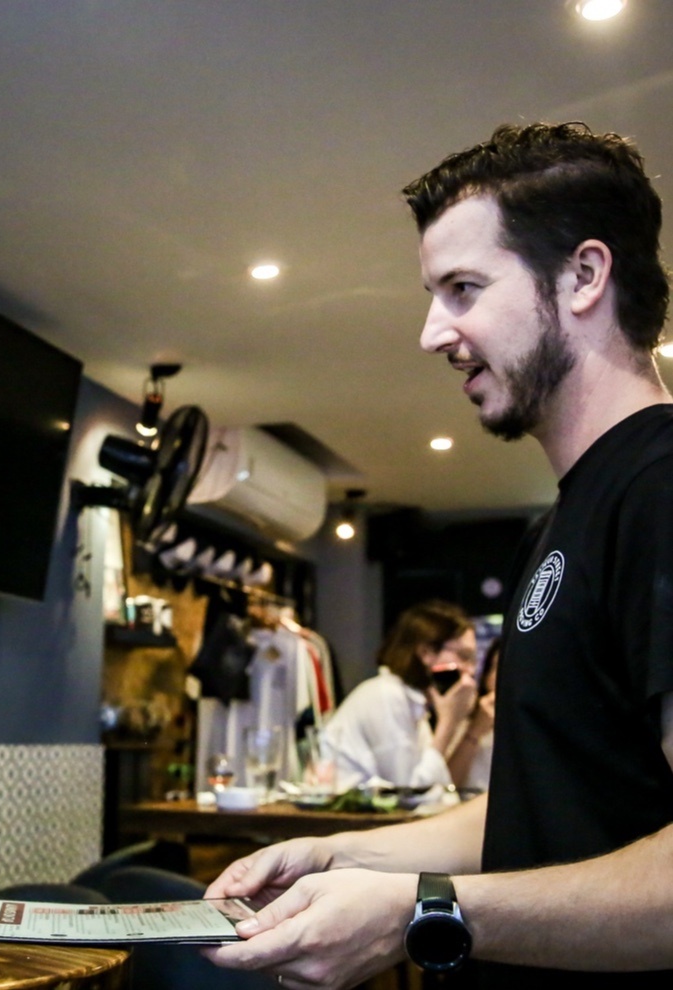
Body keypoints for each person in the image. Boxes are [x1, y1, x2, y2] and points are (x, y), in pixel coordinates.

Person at [200, 121, 673, 989]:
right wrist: (339, 855)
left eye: (463, 288)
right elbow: (538, 813)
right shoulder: (556, 525)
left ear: (583, 276)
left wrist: (424, 912)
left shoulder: (661, 486)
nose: (430, 332)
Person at [322, 600, 478, 791]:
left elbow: (437, 786)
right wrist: (448, 722)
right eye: (464, 656)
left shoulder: (412, 701)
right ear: (426, 652)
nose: (470, 670)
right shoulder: (387, 695)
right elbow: (408, 791)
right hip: (346, 809)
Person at [446, 636, 498, 792]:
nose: (500, 677)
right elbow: (448, 783)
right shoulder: (463, 720)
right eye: (495, 667)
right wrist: (475, 730)